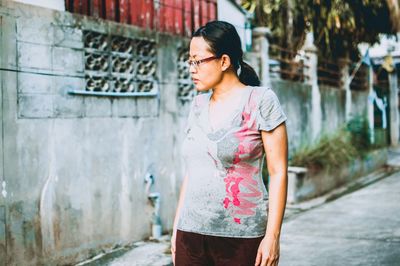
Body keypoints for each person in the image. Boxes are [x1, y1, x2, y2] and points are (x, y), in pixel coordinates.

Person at [171, 21, 288, 266]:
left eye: (198, 61)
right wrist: (176, 230)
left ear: (224, 61)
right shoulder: (198, 105)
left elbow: (278, 172)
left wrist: (272, 237)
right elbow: (192, 172)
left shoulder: (260, 100)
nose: (192, 69)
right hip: (190, 236)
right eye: (189, 61)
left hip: (241, 239)